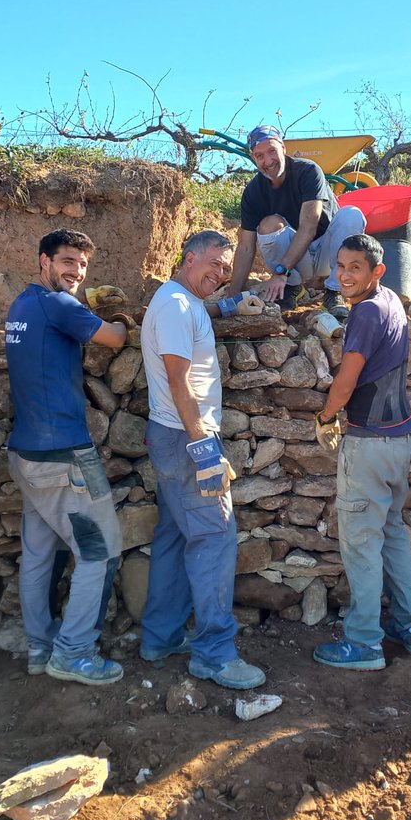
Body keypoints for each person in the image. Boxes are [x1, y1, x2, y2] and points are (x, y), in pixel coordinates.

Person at [139, 230, 266, 690]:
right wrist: (204, 449)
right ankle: (214, 654)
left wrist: (228, 305)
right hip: (185, 438)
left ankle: (159, 638)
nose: (219, 274)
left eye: (226, 270)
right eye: (213, 263)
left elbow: (193, 318)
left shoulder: (181, 302)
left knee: (175, 537)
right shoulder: (174, 305)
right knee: (215, 537)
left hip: (169, 438)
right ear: (187, 257)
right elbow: (179, 380)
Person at [4, 229, 131, 685]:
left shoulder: (21, 306)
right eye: (66, 261)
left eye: (81, 264)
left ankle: (39, 647)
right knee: (100, 549)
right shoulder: (58, 305)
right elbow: (113, 338)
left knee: (39, 553)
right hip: (64, 458)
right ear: (44, 261)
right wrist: (122, 318)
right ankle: (74, 652)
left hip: (27, 455)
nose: (75, 271)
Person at [311, 233, 411, 671]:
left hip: (371, 442)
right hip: (401, 440)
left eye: (354, 267)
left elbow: (346, 379)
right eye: (340, 265)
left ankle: (363, 643)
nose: (343, 274)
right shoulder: (391, 300)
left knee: (360, 543)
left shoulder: (366, 313)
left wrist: (325, 417)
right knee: (391, 532)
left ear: (377, 271)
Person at [227, 124, 366, 318]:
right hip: (300, 262)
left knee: (352, 214)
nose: (268, 161)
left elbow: (309, 226)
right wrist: (232, 297)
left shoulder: (308, 171)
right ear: (253, 159)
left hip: (330, 252)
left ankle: (335, 292)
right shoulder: (253, 192)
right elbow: (245, 247)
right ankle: (291, 289)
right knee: (268, 225)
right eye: (260, 156)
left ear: (283, 148)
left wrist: (280, 272)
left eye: (272, 151)